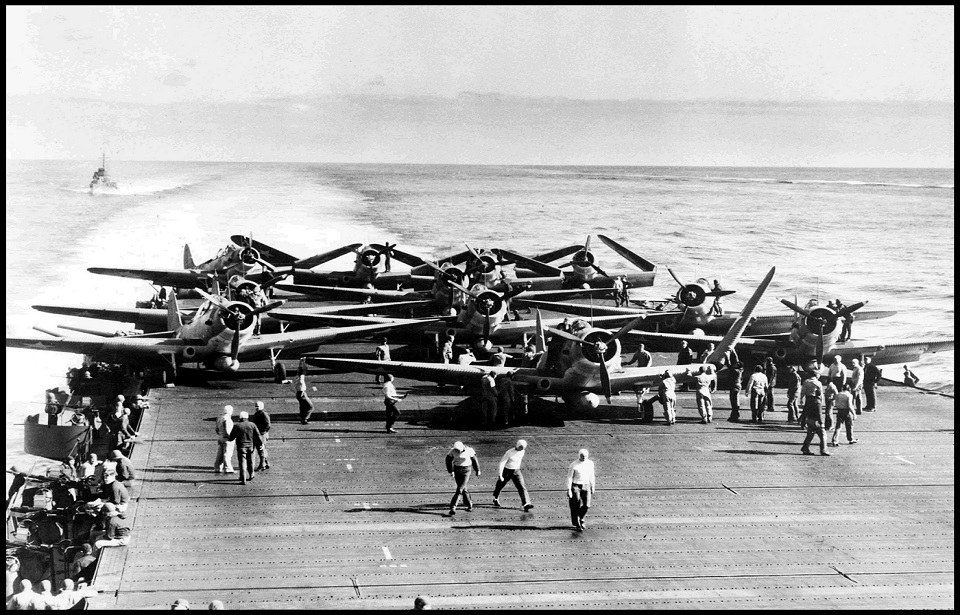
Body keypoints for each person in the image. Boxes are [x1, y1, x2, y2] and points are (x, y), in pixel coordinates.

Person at [492, 439, 534, 510]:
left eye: (523, 447)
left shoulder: (522, 451)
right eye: (520, 447)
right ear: (517, 445)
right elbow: (502, 463)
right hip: (507, 471)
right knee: (500, 485)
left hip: (516, 471)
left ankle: (526, 503)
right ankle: (495, 498)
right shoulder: (509, 452)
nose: (521, 448)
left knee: (521, 486)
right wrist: (501, 475)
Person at [228, 411, 263, 484]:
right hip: (251, 446)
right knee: (251, 461)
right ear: (247, 417)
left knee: (242, 462)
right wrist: (260, 444)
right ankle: (251, 475)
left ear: (240, 418)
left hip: (241, 447)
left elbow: (231, 437)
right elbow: (258, 435)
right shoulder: (252, 425)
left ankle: (243, 478)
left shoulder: (237, 426)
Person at [445, 441, 480, 515]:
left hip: (466, 470)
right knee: (464, 489)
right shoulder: (452, 451)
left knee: (459, 489)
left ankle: (453, 507)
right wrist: (451, 471)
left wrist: (477, 470)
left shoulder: (469, 450)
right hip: (457, 469)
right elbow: (448, 460)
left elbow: (474, 460)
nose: (458, 452)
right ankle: (470, 505)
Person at [800, 371, 830, 456]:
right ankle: (824, 450)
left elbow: (802, 392)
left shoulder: (806, 382)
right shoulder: (817, 399)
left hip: (809, 416)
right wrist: (821, 422)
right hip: (816, 420)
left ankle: (805, 448)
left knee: (810, 433)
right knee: (823, 434)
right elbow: (819, 413)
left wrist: (803, 420)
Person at [566, 448, 596, 531]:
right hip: (576, 486)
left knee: (587, 505)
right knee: (575, 505)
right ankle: (577, 523)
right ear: (579, 455)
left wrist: (593, 486)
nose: (584, 457)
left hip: (586, 485)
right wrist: (569, 489)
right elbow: (569, 478)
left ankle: (581, 517)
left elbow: (592, 475)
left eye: (586, 456)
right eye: (582, 456)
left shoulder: (590, 463)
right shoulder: (574, 465)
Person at [214, 406, 236, 474]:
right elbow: (228, 430)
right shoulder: (228, 419)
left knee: (219, 454)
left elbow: (217, 429)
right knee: (227, 454)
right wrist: (231, 437)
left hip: (220, 437)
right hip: (226, 438)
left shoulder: (219, 418)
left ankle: (217, 467)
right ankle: (228, 468)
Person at [251, 401, 271, 470]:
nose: (256, 408)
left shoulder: (263, 414)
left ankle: (262, 464)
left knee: (261, 448)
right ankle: (266, 463)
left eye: (257, 407)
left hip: (261, 434)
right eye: (256, 406)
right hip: (259, 434)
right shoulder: (258, 414)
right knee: (262, 448)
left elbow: (268, 424)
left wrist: (263, 431)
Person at [294, 358, 314, 425]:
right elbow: (305, 369)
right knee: (310, 406)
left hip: (299, 393)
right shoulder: (300, 379)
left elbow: (300, 368)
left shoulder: (297, 376)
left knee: (302, 407)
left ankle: (303, 419)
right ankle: (305, 419)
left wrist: (301, 361)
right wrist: (304, 362)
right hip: (302, 393)